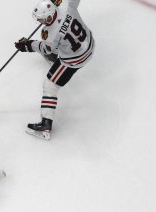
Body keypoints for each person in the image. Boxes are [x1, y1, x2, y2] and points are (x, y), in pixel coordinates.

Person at [14, 0, 94, 139]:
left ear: (49, 16)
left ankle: (45, 125)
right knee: (58, 46)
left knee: (49, 85)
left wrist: (29, 45)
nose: (41, 22)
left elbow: (46, 48)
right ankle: (54, 59)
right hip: (90, 44)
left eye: (42, 19)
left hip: (75, 59)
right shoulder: (67, 6)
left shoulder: (49, 33)